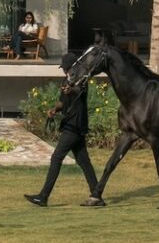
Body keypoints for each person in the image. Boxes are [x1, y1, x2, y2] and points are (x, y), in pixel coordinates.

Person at [25, 51, 102, 207]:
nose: (64, 70)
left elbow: (78, 91)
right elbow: (62, 101)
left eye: (66, 68)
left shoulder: (81, 80)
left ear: (72, 66)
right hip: (71, 125)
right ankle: (97, 195)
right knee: (83, 161)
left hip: (74, 125)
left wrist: (71, 90)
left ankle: (43, 197)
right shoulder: (65, 80)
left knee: (56, 158)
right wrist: (54, 109)